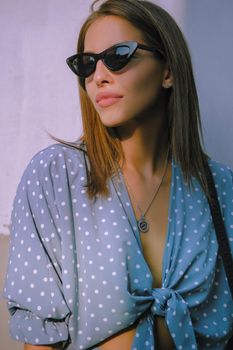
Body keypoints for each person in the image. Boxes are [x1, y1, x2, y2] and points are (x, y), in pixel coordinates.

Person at [3, 0, 233, 349]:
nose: (99, 76)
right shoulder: (54, 177)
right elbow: (39, 341)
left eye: (119, 55)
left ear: (168, 71)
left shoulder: (221, 188)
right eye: (87, 64)